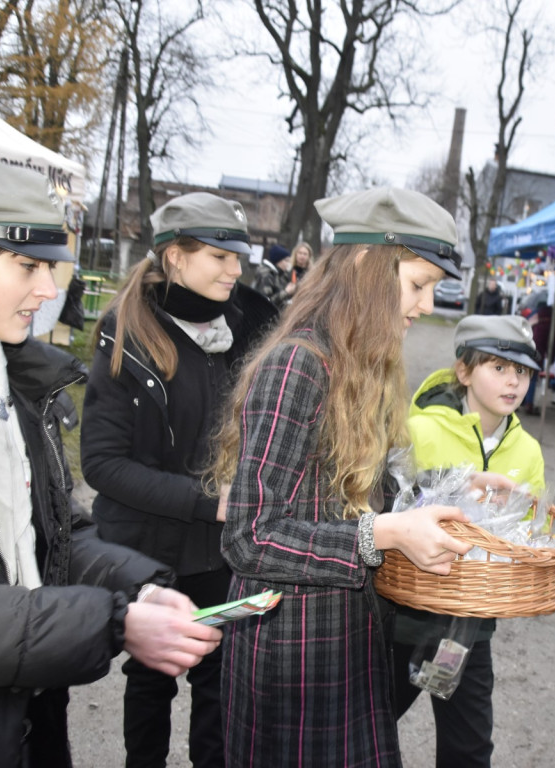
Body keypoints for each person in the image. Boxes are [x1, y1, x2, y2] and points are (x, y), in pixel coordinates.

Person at [212, 187, 505, 768]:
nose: (424, 305)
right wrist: (385, 536)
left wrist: (453, 486)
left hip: (348, 635)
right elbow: (250, 536)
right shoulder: (298, 364)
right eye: (418, 284)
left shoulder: (359, 365)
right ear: (371, 265)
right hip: (290, 651)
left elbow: (365, 495)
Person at [0, 159, 222, 767]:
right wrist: (115, 619)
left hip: (28, 715)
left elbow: (49, 537)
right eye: (27, 266)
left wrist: (136, 583)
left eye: (49, 268)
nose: (49, 292)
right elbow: (108, 465)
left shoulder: (18, 390)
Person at [79, 192, 276, 768]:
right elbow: (103, 464)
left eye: (239, 256)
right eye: (219, 255)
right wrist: (210, 503)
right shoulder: (129, 332)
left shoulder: (248, 322)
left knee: (218, 681)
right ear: (173, 257)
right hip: (149, 548)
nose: (235, 270)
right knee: (152, 680)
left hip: (221, 552)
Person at [394, 314, 545, 767]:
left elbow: (530, 531)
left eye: (521, 371)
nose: (513, 381)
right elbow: (387, 499)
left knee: (470, 747)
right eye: (498, 367)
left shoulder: (529, 451)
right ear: (463, 371)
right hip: (403, 616)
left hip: (472, 625)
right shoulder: (418, 428)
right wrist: (455, 485)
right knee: (370, 725)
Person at [251, 243, 295, 310]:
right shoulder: (267, 275)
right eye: (286, 261)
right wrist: (286, 292)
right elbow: (266, 301)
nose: (288, 264)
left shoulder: (277, 274)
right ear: (278, 260)